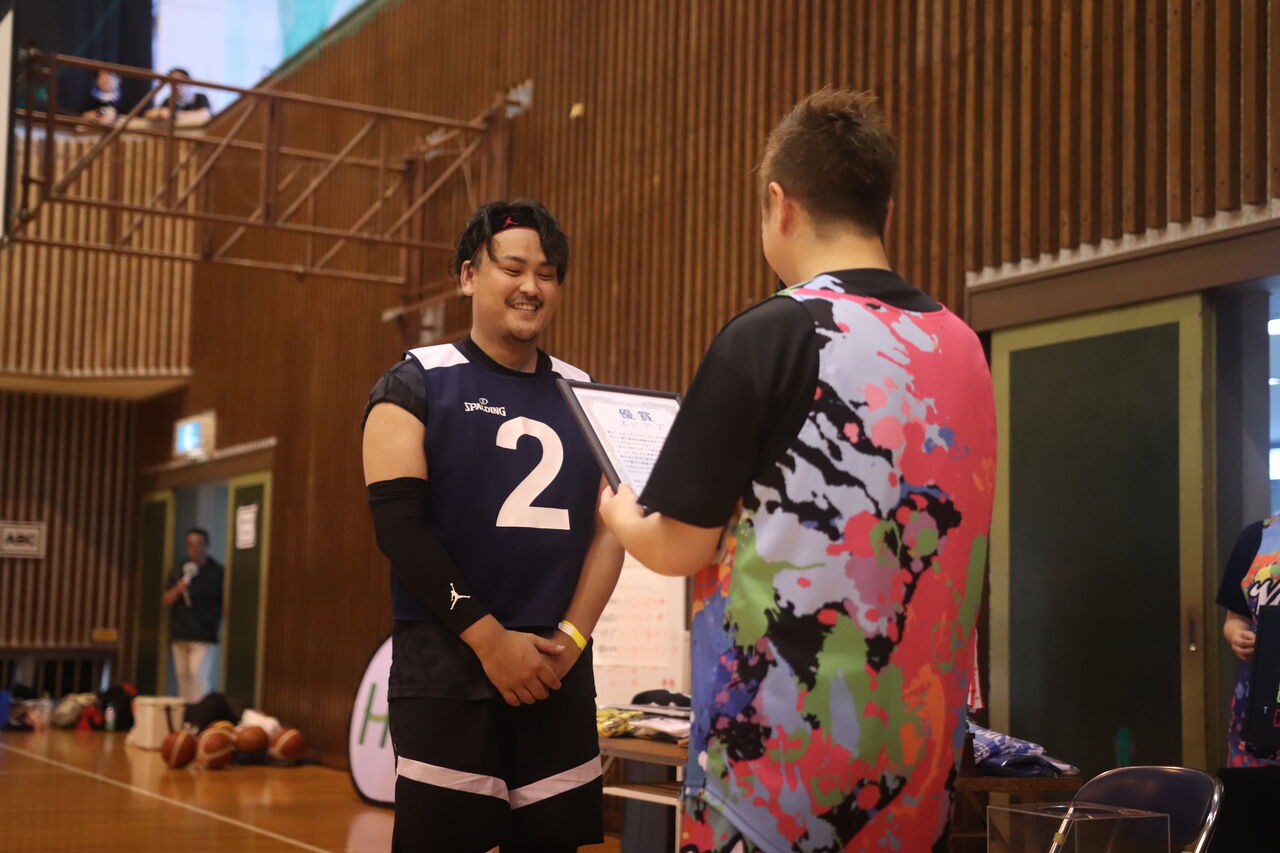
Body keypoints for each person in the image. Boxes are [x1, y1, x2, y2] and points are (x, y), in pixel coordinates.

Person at [600, 88, 997, 852]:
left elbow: (680, 545)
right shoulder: (963, 347)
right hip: (919, 775)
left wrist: (619, 514)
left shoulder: (772, 334)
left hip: (773, 783)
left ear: (780, 205)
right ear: (886, 210)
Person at [362, 199, 624, 852]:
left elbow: (612, 529)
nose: (532, 286)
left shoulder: (584, 393)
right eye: (513, 267)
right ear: (468, 275)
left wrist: (570, 640)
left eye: (547, 273)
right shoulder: (414, 383)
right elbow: (401, 531)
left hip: (554, 671)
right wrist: (489, 640)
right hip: (449, 667)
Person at [1217, 517, 1280, 767]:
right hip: (1258, 707)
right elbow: (1235, 619)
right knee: (1258, 790)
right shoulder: (1256, 536)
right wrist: (1237, 635)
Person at [161, 528, 224, 702]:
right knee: (182, 675)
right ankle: (187, 712)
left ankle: (201, 710)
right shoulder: (179, 569)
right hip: (180, 631)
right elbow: (166, 599)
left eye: (198, 544)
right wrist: (179, 587)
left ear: (206, 546)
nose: (194, 549)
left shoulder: (217, 572)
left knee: (198, 674)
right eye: (190, 545)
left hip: (204, 633)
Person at [144, 67, 211, 122]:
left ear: (188, 81)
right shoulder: (169, 100)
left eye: (179, 80)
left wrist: (174, 114)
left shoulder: (200, 97)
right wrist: (157, 114)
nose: (176, 85)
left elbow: (204, 114)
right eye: (172, 82)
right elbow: (154, 113)